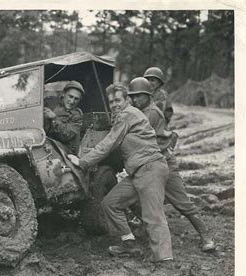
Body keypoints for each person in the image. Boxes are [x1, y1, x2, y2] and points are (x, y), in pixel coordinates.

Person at [68, 83, 173, 262]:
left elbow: (109, 143)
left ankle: (165, 261)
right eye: (111, 102)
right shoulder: (126, 115)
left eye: (117, 100)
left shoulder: (127, 114)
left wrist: (83, 161)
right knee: (110, 203)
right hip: (138, 172)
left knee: (153, 217)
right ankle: (129, 244)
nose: (114, 104)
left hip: (150, 168)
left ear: (127, 100)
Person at [128, 77, 215, 252]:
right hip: (148, 164)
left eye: (138, 96)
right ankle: (146, 227)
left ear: (148, 96)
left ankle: (205, 235)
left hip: (163, 163)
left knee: (181, 202)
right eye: (132, 96)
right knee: (129, 196)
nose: (134, 99)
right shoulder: (142, 111)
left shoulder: (150, 113)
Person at [44, 81, 84, 154]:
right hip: (44, 143)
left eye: (76, 99)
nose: (72, 101)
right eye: (70, 96)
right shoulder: (51, 103)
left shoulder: (77, 115)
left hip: (64, 151)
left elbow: (66, 135)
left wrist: (54, 118)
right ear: (64, 94)